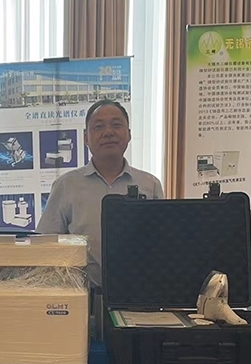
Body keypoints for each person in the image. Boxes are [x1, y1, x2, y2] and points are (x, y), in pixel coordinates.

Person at [36, 99, 164, 288]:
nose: (108, 132)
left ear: (129, 134)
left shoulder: (150, 185)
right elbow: (45, 245)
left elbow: (162, 245)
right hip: (82, 294)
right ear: (86, 138)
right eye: (99, 127)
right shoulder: (66, 185)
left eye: (116, 125)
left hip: (139, 292)